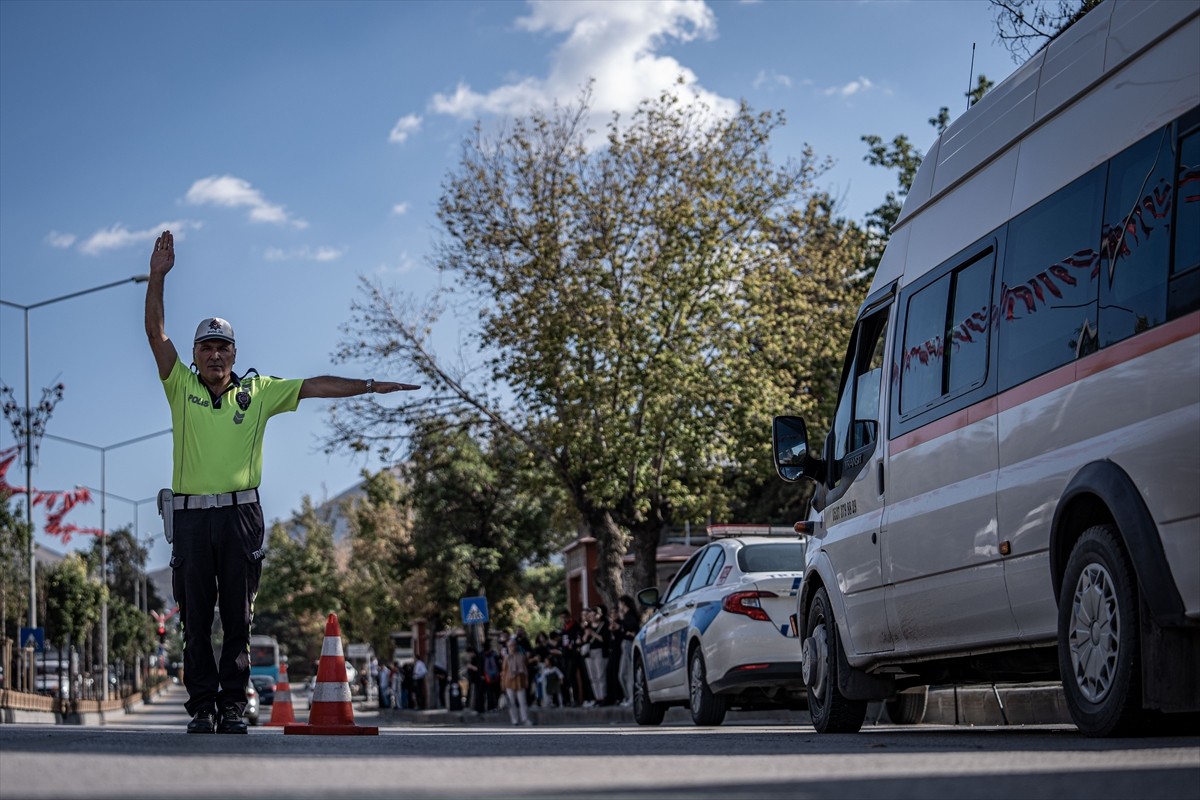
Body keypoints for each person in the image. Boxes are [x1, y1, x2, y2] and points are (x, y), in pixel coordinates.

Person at [144, 230, 419, 734]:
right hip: (188, 516)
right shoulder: (180, 387)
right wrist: (158, 277)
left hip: (240, 515)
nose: (214, 356)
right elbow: (156, 335)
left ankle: (232, 705)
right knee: (197, 620)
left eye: (222, 348)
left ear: (233, 353)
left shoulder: (259, 391)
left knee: (238, 619)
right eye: (206, 348)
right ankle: (202, 706)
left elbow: (314, 385)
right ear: (195, 354)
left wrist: (371, 386)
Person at [501, 635, 532, 726]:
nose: (512, 647)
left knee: (522, 702)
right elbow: (504, 671)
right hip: (509, 682)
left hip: (520, 681)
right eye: (510, 646)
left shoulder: (521, 656)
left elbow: (525, 669)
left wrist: (526, 680)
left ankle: (525, 719)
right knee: (512, 702)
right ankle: (514, 719)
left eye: (514, 645)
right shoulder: (506, 658)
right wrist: (502, 683)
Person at [617, 595, 640, 707]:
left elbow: (633, 628)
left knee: (628, 672)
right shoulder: (624, 616)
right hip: (624, 644)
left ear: (624, 603)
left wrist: (628, 632)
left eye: (620, 603)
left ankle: (632, 698)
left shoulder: (630, 615)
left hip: (628, 644)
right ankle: (627, 696)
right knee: (621, 674)